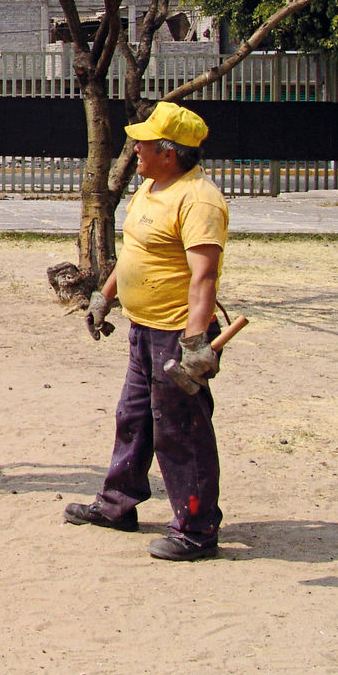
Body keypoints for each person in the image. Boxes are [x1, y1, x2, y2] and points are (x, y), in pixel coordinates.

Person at [64, 101, 230, 561]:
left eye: (144, 143)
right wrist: (105, 297)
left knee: (181, 431)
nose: (135, 148)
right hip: (144, 330)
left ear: (168, 153)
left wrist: (195, 343)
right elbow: (135, 253)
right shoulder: (152, 188)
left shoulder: (198, 200)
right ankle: (117, 504)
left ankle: (196, 531)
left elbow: (204, 277)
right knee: (133, 417)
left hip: (178, 335)